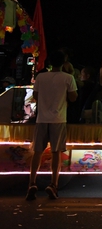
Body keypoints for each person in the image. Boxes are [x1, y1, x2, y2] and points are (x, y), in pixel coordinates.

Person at [26, 50, 77, 200]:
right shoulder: (68, 78)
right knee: (56, 153)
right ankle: (53, 184)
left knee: (37, 152)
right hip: (59, 119)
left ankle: (32, 183)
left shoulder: (41, 77)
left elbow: (35, 96)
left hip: (41, 119)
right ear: (64, 62)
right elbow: (73, 98)